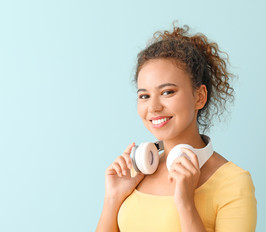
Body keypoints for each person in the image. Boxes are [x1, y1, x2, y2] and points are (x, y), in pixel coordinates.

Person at [96, 24, 257, 232]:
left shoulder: (233, 182)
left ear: (199, 97)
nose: (153, 107)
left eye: (167, 92)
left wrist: (186, 203)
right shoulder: (135, 173)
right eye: (144, 96)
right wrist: (113, 198)